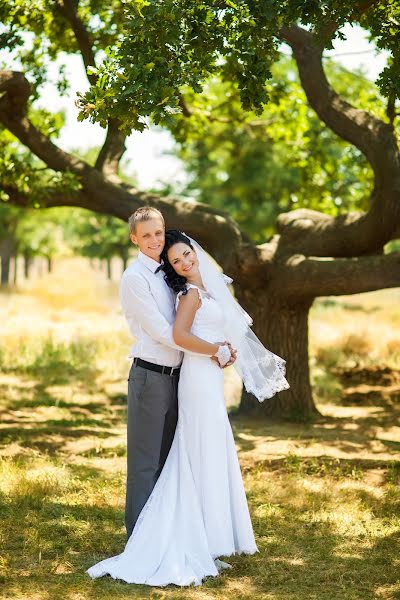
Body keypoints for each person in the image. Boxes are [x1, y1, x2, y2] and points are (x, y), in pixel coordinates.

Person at [87, 222, 290, 586]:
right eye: (175, 258)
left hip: (194, 374)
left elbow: (219, 328)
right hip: (175, 374)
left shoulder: (197, 287)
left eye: (184, 253)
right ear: (135, 238)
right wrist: (217, 350)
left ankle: (206, 539)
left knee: (200, 453)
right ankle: (146, 542)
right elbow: (174, 334)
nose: (181, 260)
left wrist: (226, 351)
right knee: (165, 459)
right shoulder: (157, 285)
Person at [115, 207, 235, 540]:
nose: (154, 240)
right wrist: (213, 350)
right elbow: (165, 333)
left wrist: (218, 348)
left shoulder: (171, 275)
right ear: (134, 239)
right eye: (147, 235)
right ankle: (139, 540)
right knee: (145, 464)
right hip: (150, 377)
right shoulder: (134, 278)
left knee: (172, 462)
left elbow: (193, 322)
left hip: (181, 378)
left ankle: (167, 534)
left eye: (158, 233)